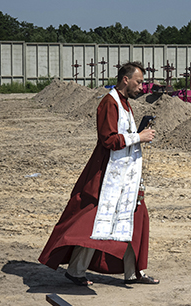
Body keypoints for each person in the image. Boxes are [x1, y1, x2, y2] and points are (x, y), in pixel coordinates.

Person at [38, 62, 159, 286]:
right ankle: (75, 270)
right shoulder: (109, 103)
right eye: (139, 82)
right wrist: (138, 137)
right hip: (107, 174)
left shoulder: (125, 104)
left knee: (136, 216)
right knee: (92, 222)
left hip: (126, 174)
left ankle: (134, 272)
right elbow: (108, 139)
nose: (142, 87)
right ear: (126, 79)